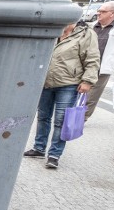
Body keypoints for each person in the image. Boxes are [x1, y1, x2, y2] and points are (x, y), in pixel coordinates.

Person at [23, 21, 99, 168]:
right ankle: (39, 148)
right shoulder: (53, 31)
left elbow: (92, 58)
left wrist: (88, 80)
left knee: (61, 120)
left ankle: (54, 154)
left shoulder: (85, 34)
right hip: (46, 82)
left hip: (68, 83)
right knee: (43, 116)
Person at [85, 1, 114, 120]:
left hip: (103, 67)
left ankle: (81, 118)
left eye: (102, 11)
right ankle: (69, 114)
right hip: (84, 65)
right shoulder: (91, 26)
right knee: (77, 91)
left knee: (92, 97)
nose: (98, 13)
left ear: (112, 13)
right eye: (99, 11)